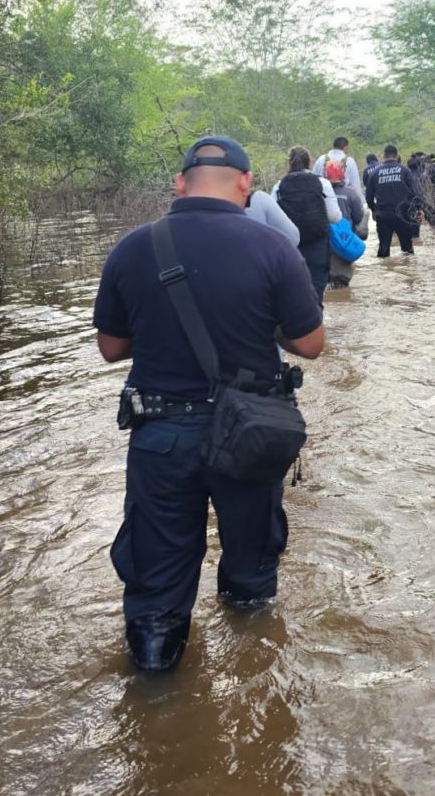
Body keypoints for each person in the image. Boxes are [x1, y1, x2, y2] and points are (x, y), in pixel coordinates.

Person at [93, 136, 325, 673]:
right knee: (251, 567)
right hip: (249, 434)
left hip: (161, 436)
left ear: (179, 184)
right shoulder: (272, 248)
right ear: (246, 184)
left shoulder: (133, 247)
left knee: (157, 578)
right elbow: (310, 344)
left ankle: (156, 687)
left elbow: (110, 348)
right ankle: (255, 669)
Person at [272, 145, 341, 305]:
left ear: (289, 163)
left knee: (290, 296)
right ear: (309, 162)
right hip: (317, 246)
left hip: (289, 249)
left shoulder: (279, 186)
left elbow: (272, 222)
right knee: (315, 296)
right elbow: (335, 217)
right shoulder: (322, 183)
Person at [365, 143, 420, 258]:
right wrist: (418, 209)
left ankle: (383, 274)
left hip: (383, 215)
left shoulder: (375, 172)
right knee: (407, 250)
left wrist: (374, 210)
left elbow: (368, 196)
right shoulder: (404, 170)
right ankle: (410, 274)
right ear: (397, 155)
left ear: (383, 156)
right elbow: (415, 192)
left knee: (383, 251)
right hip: (403, 214)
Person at [324, 158, 366, 288]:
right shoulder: (351, 193)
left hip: (325, 246)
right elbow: (359, 217)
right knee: (341, 286)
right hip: (344, 243)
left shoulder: (321, 193)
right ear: (342, 174)